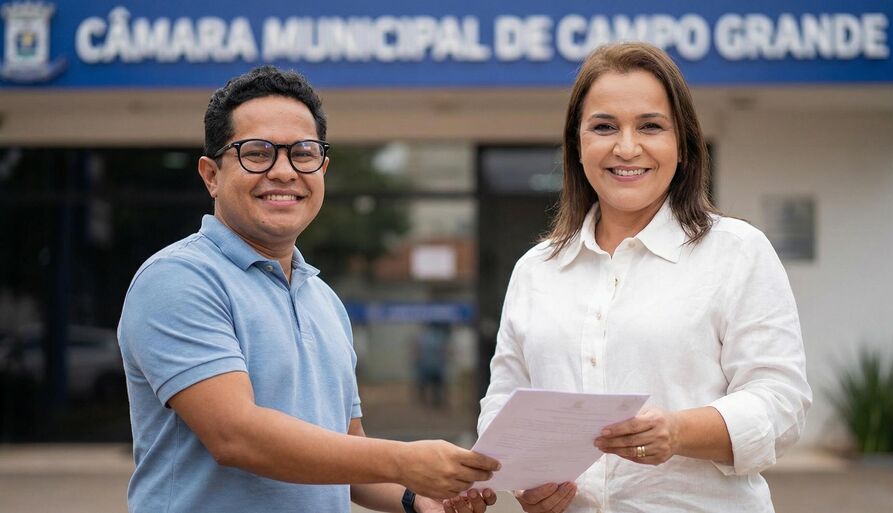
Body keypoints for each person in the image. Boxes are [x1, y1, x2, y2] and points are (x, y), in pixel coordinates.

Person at [117, 65, 499, 513]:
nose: (284, 172)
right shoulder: (178, 279)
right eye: (257, 153)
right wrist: (404, 459)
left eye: (303, 153)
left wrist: (418, 498)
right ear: (211, 175)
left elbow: (344, 453)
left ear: (323, 168)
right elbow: (236, 436)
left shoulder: (323, 298)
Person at [478, 42, 812, 513]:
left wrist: (678, 431)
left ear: (683, 145)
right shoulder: (537, 269)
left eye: (651, 126)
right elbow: (503, 401)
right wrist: (525, 477)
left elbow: (782, 401)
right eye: (604, 127)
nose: (627, 147)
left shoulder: (737, 252)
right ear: (577, 144)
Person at [414, 322, 451, 408]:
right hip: (437, 365)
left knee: (424, 384)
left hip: (426, 365)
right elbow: (444, 351)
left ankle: (424, 401)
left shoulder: (423, 337)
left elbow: (418, 351)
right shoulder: (440, 336)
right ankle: (436, 401)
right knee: (437, 386)